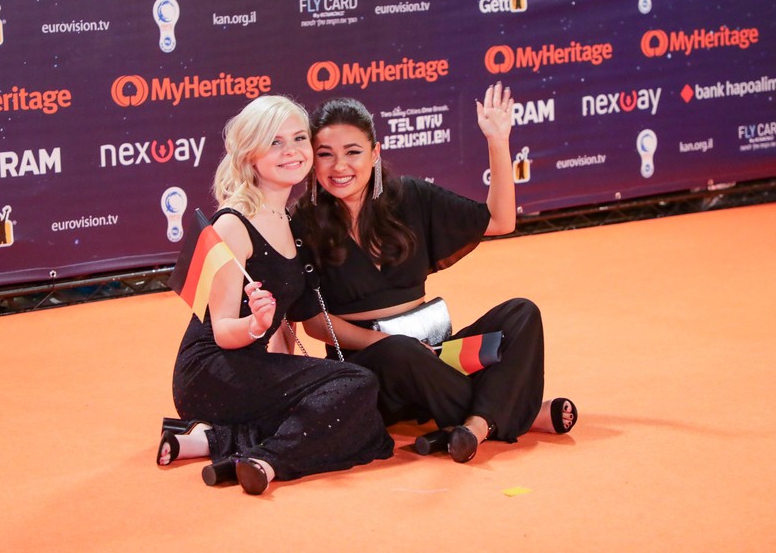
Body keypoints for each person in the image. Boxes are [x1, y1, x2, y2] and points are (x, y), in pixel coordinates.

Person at [292, 83, 577, 464]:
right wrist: (388, 344)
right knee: (399, 351)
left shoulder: (409, 197)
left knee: (521, 313)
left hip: (435, 355)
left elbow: (501, 220)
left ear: (375, 154)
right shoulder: (303, 221)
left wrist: (498, 141)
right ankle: (515, 415)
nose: (339, 167)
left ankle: (475, 425)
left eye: (353, 152)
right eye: (325, 155)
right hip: (373, 368)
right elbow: (313, 324)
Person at [157, 95, 394, 495]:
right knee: (357, 385)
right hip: (211, 373)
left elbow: (287, 322)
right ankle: (267, 460)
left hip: (252, 369)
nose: (292, 152)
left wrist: (298, 381)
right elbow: (223, 333)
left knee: (356, 404)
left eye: (299, 139)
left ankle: (213, 442)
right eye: (275, 142)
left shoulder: (289, 221)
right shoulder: (234, 224)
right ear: (251, 155)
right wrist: (255, 324)